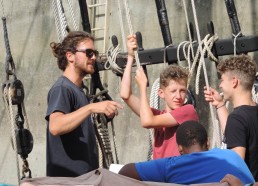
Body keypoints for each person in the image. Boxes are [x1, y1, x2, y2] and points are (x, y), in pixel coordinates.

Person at [46, 31, 122, 177]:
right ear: (70, 56)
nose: (93, 57)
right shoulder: (62, 88)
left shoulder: (79, 91)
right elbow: (55, 126)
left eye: (95, 53)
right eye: (88, 53)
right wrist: (91, 108)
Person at [120, 34, 199, 159]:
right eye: (173, 91)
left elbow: (147, 122)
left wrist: (142, 87)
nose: (178, 96)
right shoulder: (157, 115)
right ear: (161, 93)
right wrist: (130, 58)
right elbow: (125, 95)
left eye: (182, 91)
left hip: (176, 173)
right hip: (160, 172)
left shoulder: (188, 111)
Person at [118, 121, 254, 185]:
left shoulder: (170, 166)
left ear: (180, 148)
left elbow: (125, 171)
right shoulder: (231, 156)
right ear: (208, 141)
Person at [204, 54, 258, 181]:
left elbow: (236, 164)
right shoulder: (250, 113)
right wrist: (220, 105)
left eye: (222, 80)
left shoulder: (237, 118)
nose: (221, 85)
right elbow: (234, 136)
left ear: (234, 82)